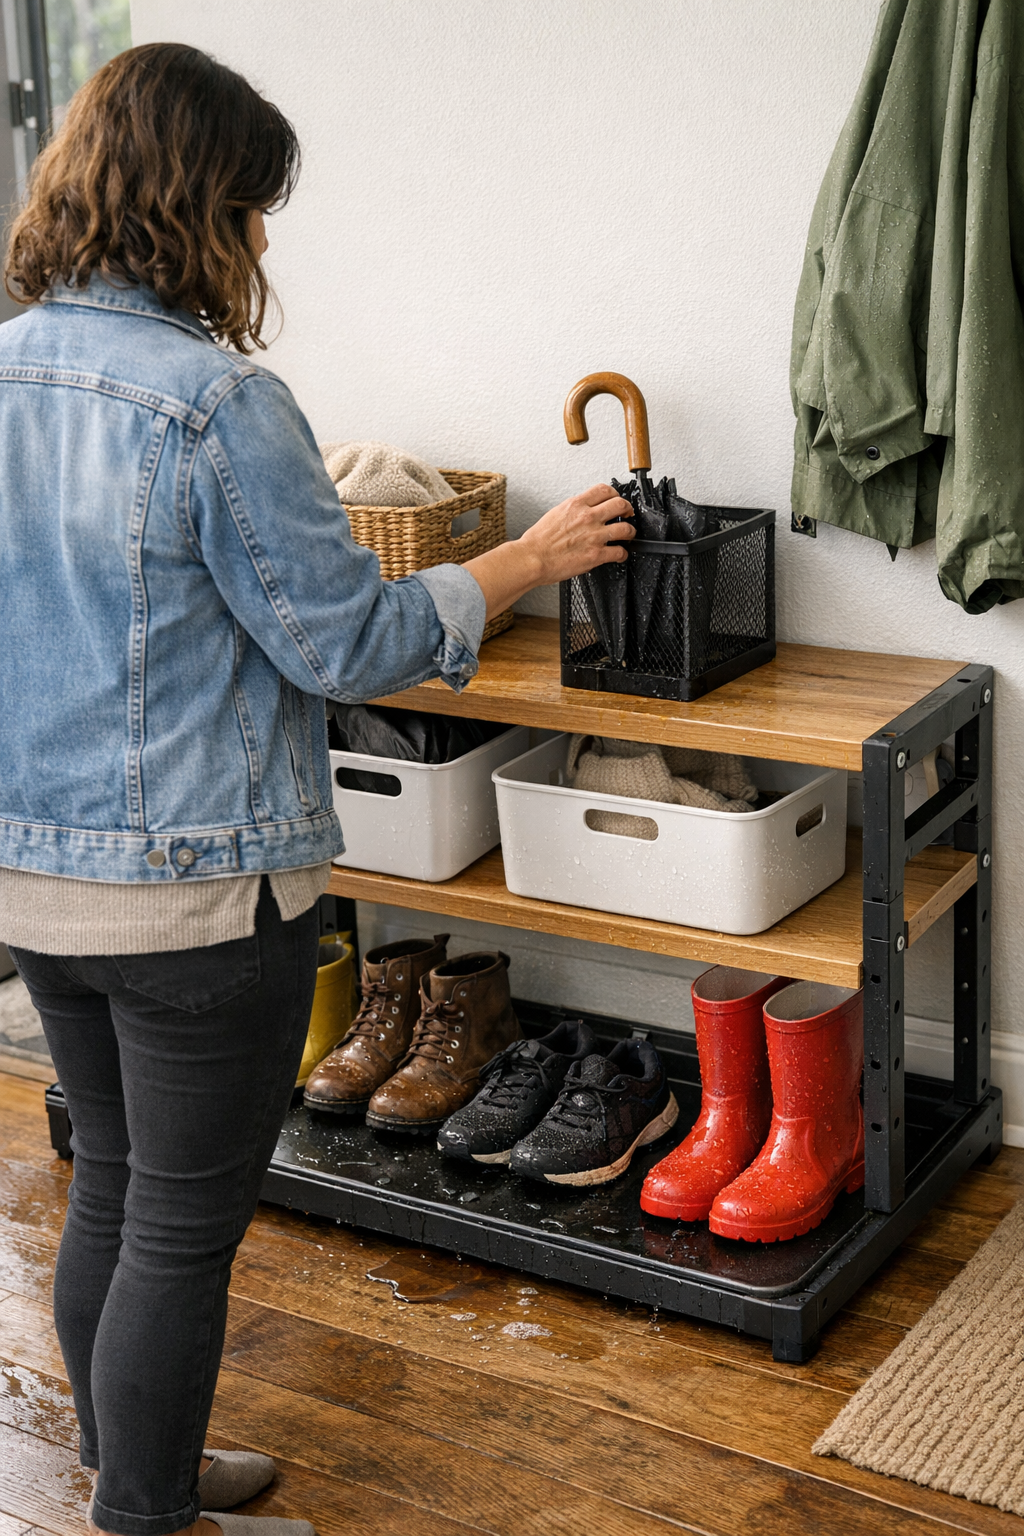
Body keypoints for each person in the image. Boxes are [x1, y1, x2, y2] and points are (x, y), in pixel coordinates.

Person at [0, 42, 633, 1536]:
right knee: (176, 1214)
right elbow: (346, 643)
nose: (264, 240)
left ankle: (130, 1466)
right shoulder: (217, 403)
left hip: (35, 877)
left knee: (111, 1180)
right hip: (204, 898)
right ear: (193, 206)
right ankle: (147, 1515)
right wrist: (523, 562)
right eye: (251, 206)